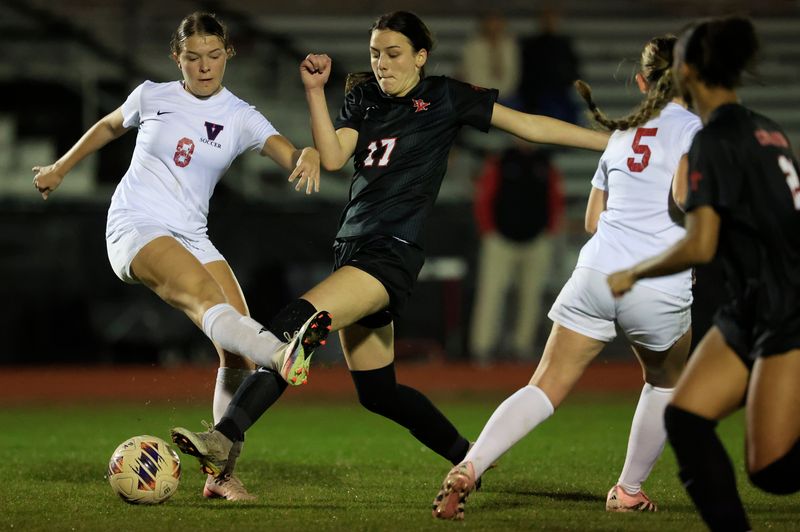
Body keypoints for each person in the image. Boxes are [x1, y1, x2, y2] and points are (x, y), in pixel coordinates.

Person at [170, 10, 608, 494]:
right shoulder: (364, 98)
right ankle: (469, 457)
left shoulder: (444, 96)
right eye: (376, 53)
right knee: (379, 393)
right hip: (354, 249)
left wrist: (609, 143)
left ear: (421, 57)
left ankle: (223, 437)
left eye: (394, 53)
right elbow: (335, 158)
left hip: (388, 254)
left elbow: (530, 127)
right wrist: (316, 92)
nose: (382, 63)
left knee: (293, 328)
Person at [31, 11, 329, 501]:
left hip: (192, 234)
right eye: (193, 58)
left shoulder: (240, 114)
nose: (205, 67)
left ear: (227, 54)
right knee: (208, 305)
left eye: (214, 56)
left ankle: (220, 476)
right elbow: (109, 125)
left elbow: (286, 152)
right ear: (178, 57)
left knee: (234, 349)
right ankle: (280, 351)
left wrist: (308, 155)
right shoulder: (153, 94)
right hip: (135, 225)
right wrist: (61, 168)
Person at [433, 34, 703, 520]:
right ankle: (627, 490)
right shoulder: (695, 129)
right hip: (657, 281)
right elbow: (686, 195)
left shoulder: (623, 131)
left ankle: (471, 465)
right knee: (666, 381)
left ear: (642, 82)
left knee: (546, 383)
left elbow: (593, 221)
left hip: (598, 271)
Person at [607, 16, 800, 532]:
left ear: (687, 71)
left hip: (784, 305)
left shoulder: (712, 142)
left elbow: (701, 243)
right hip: (751, 303)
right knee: (687, 421)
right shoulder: (768, 128)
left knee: (774, 472)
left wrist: (633, 272)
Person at [469, 140, 564, 364]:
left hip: (536, 239)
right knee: (491, 294)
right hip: (500, 239)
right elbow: (484, 197)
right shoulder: (501, 160)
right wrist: (488, 231)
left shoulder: (544, 163)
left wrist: (549, 230)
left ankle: (522, 347)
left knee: (531, 296)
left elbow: (555, 199)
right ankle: (482, 347)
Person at [518, 8, 581, 124]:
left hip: (561, 91)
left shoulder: (564, 44)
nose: (550, 23)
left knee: (573, 114)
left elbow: (573, 69)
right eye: (547, 19)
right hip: (539, 92)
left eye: (552, 20)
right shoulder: (531, 44)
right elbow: (527, 73)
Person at [459, 12, 521, 108]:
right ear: (483, 25)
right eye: (491, 22)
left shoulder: (510, 45)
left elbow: (514, 73)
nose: (494, 27)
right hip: (481, 97)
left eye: (497, 22)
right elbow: (471, 74)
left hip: (508, 96)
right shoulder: (473, 46)